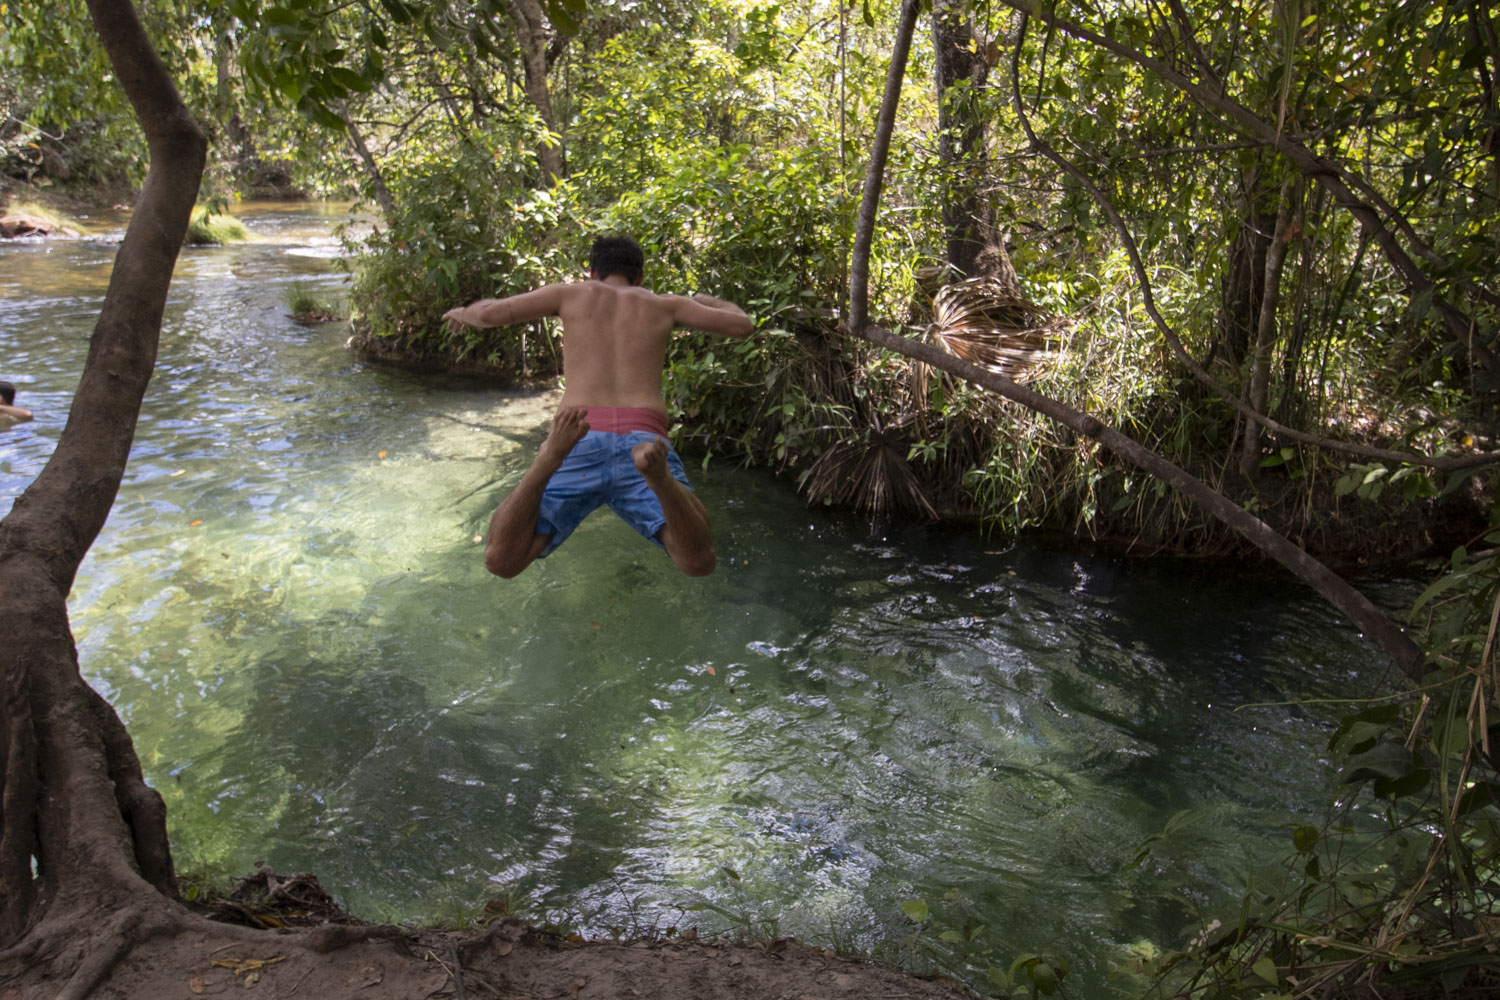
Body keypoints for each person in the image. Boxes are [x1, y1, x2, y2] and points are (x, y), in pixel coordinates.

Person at [443, 236, 754, 578]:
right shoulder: (666, 304)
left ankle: (548, 458)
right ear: (639, 276)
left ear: (592, 272)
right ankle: (660, 480)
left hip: (576, 434)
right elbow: (742, 324)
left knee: (503, 561)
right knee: (697, 563)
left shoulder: (569, 294)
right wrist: (706, 300)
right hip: (644, 439)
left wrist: (463, 314)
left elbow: (488, 314)